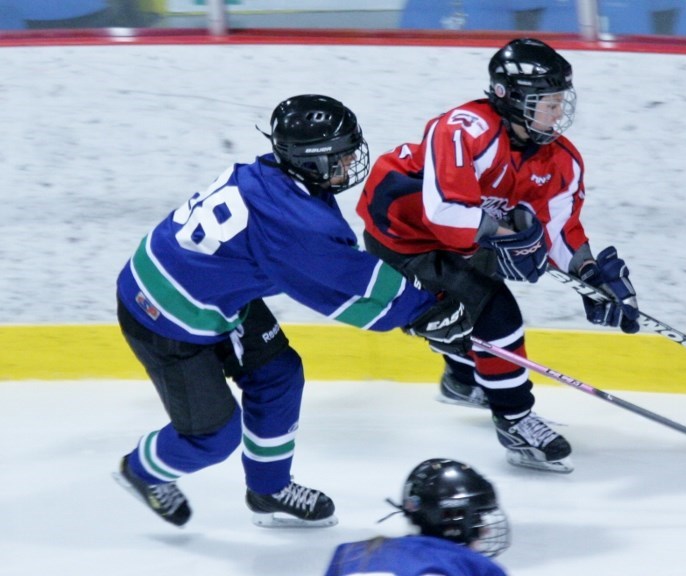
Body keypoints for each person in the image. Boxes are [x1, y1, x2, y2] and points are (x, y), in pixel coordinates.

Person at [112, 94, 473, 528]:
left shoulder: (279, 177)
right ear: (310, 159)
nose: (349, 163)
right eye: (339, 156)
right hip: (161, 314)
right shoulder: (295, 222)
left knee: (278, 373)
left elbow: (337, 267)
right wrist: (421, 311)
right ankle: (141, 470)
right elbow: (343, 286)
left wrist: (419, 309)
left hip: (212, 292)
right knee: (213, 437)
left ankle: (268, 489)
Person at [356, 38, 640, 474]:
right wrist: (509, 239)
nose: (557, 111)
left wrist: (590, 275)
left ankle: (464, 379)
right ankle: (515, 422)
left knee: (466, 316)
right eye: (546, 102)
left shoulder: (562, 162)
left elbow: (560, 231)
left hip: (466, 237)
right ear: (510, 97)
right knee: (496, 314)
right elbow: (445, 212)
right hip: (403, 234)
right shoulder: (464, 128)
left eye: (560, 100)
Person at [324, 458, 509, 575]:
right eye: (478, 517)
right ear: (454, 517)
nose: (486, 529)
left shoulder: (349, 554)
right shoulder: (476, 568)